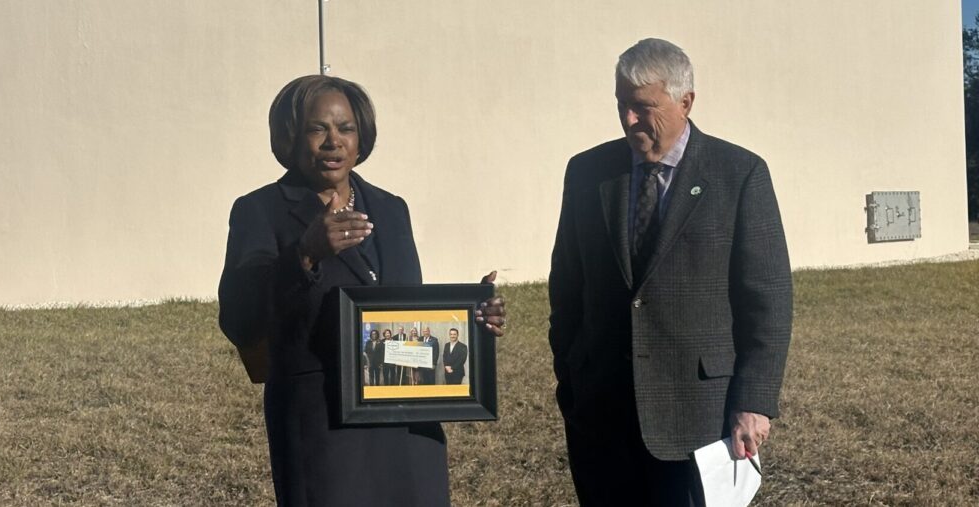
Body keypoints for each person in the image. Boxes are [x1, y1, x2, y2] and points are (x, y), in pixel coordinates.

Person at [218, 74, 507, 506]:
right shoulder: (260, 210)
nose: (333, 141)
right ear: (292, 136)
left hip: (407, 421)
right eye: (318, 129)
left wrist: (471, 320)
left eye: (345, 128)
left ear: (361, 136)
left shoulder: (391, 209)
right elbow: (240, 318)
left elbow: (407, 316)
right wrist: (305, 255)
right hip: (323, 424)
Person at [548, 38, 792, 505]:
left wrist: (754, 402)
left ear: (686, 102)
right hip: (601, 416)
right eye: (622, 104)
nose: (628, 120)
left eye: (643, 107)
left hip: (699, 419)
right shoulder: (586, 173)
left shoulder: (739, 174)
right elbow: (567, 289)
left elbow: (769, 299)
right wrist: (572, 381)